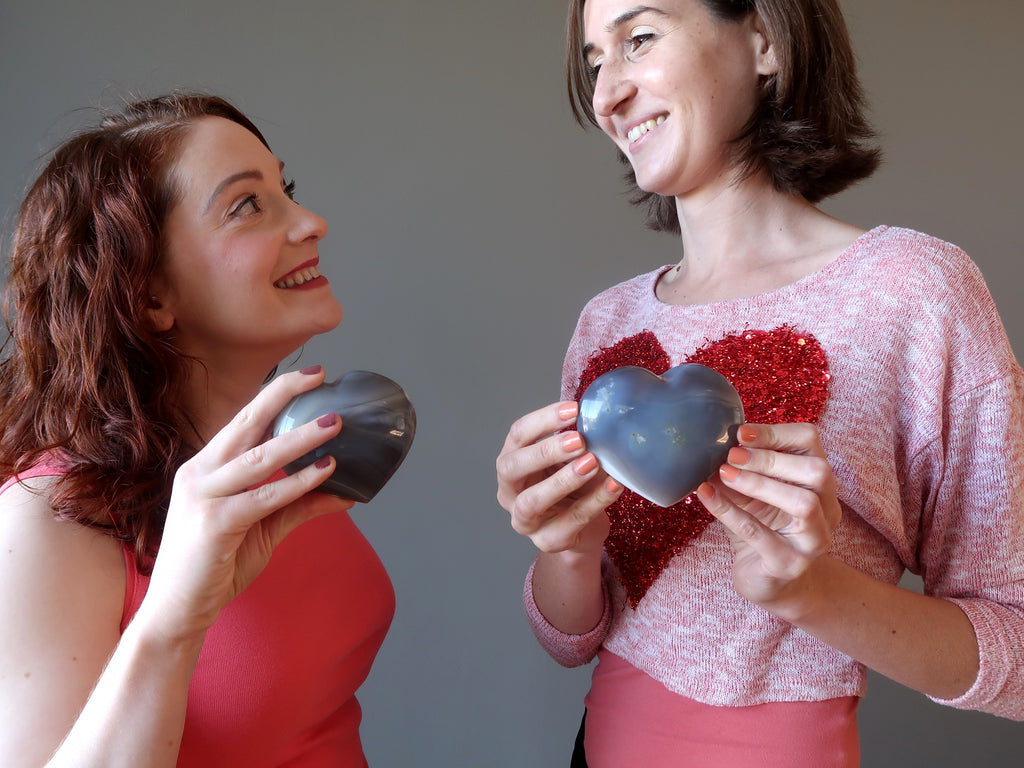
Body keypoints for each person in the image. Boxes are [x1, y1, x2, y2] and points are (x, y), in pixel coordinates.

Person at [496, 1, 1024, 765]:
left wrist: (815, 593)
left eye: (638, 38)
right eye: (593, 61)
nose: (606, 93)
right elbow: (570, 638)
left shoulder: (915, 290)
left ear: (766, 39)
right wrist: (567, 551)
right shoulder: (606, 323)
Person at [0, 93, 395, 767]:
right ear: (150, 294)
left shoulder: (275, 459)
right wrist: (176, 617)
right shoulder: (49, 523)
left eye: (286, 189)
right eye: (249, 205)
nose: (311, 222)